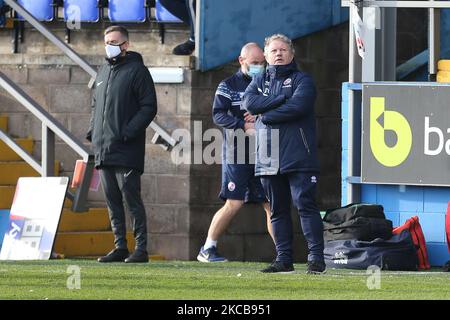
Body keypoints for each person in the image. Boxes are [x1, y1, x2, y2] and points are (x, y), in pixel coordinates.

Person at [243, 34, 325, 274]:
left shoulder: (303, 80)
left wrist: (265, 116)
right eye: (273, 50)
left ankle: (316, 259)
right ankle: (283, 259)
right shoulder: (258, 81)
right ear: (266, 56)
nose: (278, 54)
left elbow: (299, 107)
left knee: (305, 205)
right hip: (268, 155)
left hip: (299, 154)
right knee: (277, 210)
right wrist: (279, 99)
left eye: (283, 50)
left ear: (291, 53)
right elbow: (249, 103)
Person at [197, 43, 275, 263]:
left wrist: (260, 118)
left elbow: (280, 107)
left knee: (271, 203)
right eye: (254, 63)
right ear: (242, 61)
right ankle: (208, 248)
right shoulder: (228, 85)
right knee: (234, 202)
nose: (259, 67)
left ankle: (284, 253)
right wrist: (243, 124)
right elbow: (218, 115)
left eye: (262, 63)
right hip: (237, 152)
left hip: (265, 153)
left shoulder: (269, 83)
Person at [87, 26, 157, 263]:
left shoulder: (138, 71)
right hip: (103, 147)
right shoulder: (103, 70)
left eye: (114, 41)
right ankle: (120, 247)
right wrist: (92, 131)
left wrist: (127, 132)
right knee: (112, 199)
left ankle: (141, 248)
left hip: (127, 148)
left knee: (131, 198)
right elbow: (96, 104)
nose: (109, 45)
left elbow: (149, 107)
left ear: (126, 44)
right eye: (106, 41)